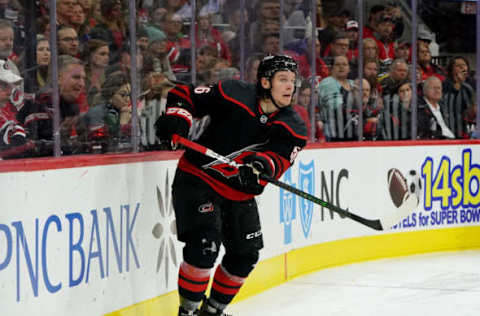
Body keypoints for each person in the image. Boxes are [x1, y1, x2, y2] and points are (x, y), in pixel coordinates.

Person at [155, 55, 307, 316]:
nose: (290, 86)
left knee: (245, 256)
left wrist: (260, 167)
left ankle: (212, 311)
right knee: (205, 245)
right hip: (197, 179)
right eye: (283, 79)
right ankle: (188, 312)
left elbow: (279, 158)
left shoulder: (293, 125)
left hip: (238, 193)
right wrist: (178, 119)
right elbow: (185, 94)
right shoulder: (233, 93)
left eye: (293, 81)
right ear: (265, 82)